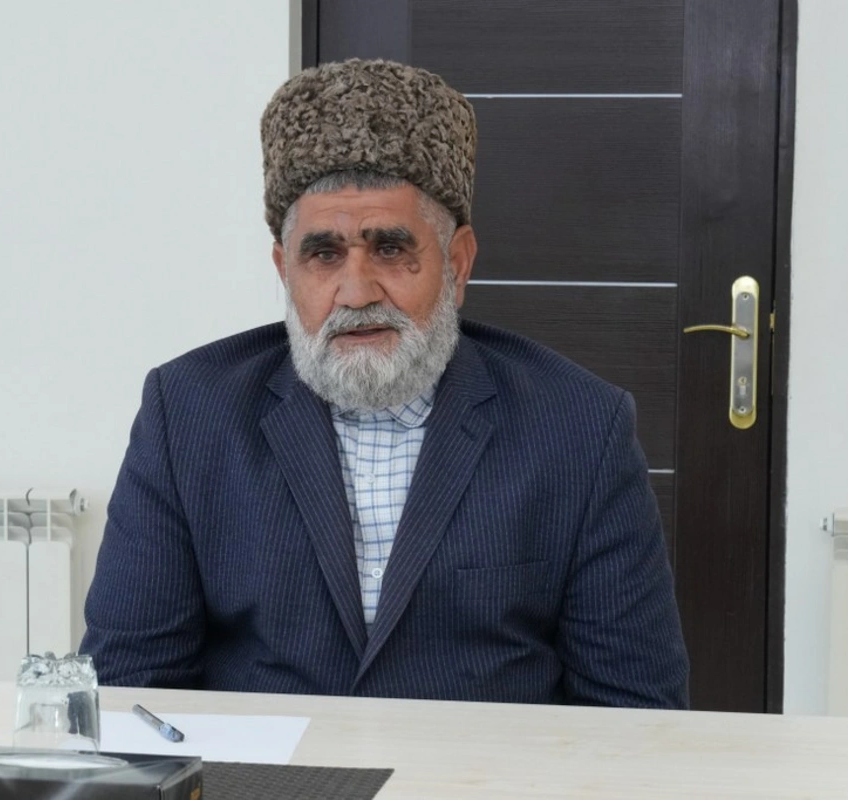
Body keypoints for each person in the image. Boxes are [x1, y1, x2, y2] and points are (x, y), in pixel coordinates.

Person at [81, 59, 689, 708]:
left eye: (392, 250)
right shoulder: (189, 413)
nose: (357, 291)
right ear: (285, 270)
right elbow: (127, 693)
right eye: (324, 254)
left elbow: (636, 715)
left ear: (457, 263)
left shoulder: (579, 427)